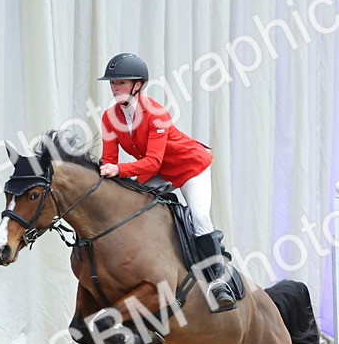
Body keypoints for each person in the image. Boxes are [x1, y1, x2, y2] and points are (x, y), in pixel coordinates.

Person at [97, 53, 236, 311]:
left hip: (190, 167)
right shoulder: (109, 117)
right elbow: (109, 161)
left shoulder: (156, 113)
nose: (115, 88)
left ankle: (218, 281)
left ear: (137, 85)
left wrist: (118, 169)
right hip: (158, 171)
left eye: (122, 83)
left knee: (199, 216)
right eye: (113, 83)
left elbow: (151, 162)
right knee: (133, 209)